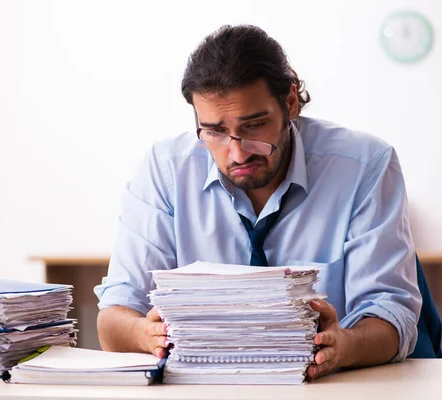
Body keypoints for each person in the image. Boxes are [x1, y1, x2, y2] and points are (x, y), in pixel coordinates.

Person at [94, 24, 422, 380]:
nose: (236, 153)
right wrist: (146, 334)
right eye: (215, 131)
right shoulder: (165, 170)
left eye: (254, 126)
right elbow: (113, 318)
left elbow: (393, 316)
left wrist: (343, 346)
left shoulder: (364, 165)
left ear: (291, 103)